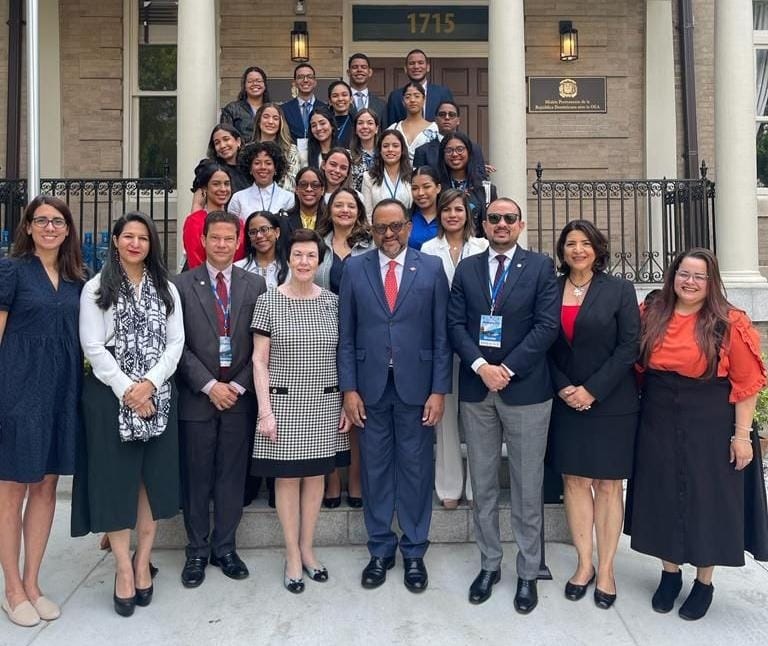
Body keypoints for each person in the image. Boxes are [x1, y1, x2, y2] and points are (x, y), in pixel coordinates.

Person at [626, 248, 767, 621]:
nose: (689, 282)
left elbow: (747, 384)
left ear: (711, 282)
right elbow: (634, 364)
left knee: (708, 499)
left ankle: (704, 582)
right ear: (673, 276)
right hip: (657, 415)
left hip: (711, 419)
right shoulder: (652, 313)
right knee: (662, 494)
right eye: (683, 274)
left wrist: (741, 437)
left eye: (699, 276)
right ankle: (669, 575)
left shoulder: (729, 322)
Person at [447, 198, 559, 611]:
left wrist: (506, 369)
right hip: (478, 390)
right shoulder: (468, 268)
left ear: (520, 225)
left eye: (510, 218)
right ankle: (489, 564)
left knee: (527, 487)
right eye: (494, 218)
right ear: (484, 225)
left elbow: (546, 326)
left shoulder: (540, 267)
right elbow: (454, 324)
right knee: (483, 485)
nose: (502, 224)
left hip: (525, 391)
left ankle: (528, 572)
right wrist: (481, 366)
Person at [338, 199, 452, 593]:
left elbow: (442, 335)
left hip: (417, 388)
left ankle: (415, 551)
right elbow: (346, 336)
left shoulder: (431, 268)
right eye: (381, 227)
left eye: (396, 226)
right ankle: (380, 549)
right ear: (371, 229)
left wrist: (439, 390)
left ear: (408, 226)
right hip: (369, 388)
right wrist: (349, 389)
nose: (389, 234)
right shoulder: (355, 268)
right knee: (375, 469)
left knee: (416, 470)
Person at [74, 211, 184, 617]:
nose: (136, 243)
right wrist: (128, 391)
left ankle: (143, 561)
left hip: (158, 395)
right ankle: (123, 567)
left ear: (151, 243)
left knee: (149, 483)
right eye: (128, 236)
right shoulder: (96, 288)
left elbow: (176, 343)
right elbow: (92, 346)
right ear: (116, 241)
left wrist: (149, 385)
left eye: (143, 237)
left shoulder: (166, 288)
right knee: (115, 483)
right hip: (109, 396)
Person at [0, 196, 85, 627]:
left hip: (61, 393)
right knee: (12, 489)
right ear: (29, 227)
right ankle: (12, 589)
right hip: (17, 389)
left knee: (47, 486)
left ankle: (33, 582)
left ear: (68, 229)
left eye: (58, 221)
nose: (50, 227)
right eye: (42, 220)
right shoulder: (11, 270)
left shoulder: (77, 280)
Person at [546, 220, 640, 609]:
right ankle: (584, 564)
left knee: (607, 485)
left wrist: (592, 390)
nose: (578, 250)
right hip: (565, 399)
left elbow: (629, 346)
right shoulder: (549, 289)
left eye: (585, 243)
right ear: (562, 251)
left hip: (611, 402)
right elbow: (543, 343)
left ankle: (607, 570)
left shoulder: (619, 290)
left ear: (598, 249)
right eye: (571, 243)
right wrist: (563, 387)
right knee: (574, 480)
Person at [251, 228, 351, 593]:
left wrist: (345, 401)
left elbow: (343, 355)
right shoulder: (268, 302)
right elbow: (259, 360)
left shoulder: (333, 303)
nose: (304, 262)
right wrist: (265, 410)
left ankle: (308, 548)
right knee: (288, 479)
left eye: (311, 256)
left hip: (325, 403)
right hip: (283, 403)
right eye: (298, 255)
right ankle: (291, 553)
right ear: (288, 259)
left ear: (319, 261)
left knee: (316, 478)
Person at [174, 211, 267, 589]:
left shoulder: (255, 285)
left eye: (230, 239)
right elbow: (176, 345)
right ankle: (197, 550)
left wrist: (238, 386)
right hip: (197, 397)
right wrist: (209, 385)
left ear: (238, 242)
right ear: (203, 240)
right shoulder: (180, 285)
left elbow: (263, 344)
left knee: (231, 476)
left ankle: (225, 548)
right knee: (196, 478)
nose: (222, 245)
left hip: (239, 399)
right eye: (215, 238)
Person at [421, 189, 488, 509]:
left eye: (458, 209)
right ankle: (449, 486)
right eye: (446, 209)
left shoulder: (483, 246)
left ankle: (478, 487)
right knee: (444, 416)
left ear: (468, 214)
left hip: (477, 343)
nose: (452, 215)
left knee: (478, 417)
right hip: (441, 341)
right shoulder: (427, 249)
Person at [315, 188, 373, 510]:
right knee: (327, 409)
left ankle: (355, 477)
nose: (345, 210)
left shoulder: (370, 246)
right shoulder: (317, 244)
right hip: (322, 334)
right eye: (339, 205)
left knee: (355, 407)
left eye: (351, 205)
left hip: (361, 334)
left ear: (359, 211)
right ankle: (332, 479)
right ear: (330, 210)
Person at [183, 160, 245, 269]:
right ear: (205, 188)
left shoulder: (238, 222)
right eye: (216, 184)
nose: (223, 189)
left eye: (226, 184)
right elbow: (195, 263)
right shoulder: (194, 221)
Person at [437, 132, 497, 237]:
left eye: (460, 149)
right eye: (449, 150)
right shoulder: (436, 187)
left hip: (479, 244)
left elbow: (493, 223)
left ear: (469, 152)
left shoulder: (486, 189)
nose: (454, 154)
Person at [413, 101, 489, 178]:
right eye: (442, 114)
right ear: (436, 120)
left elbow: (480, 179)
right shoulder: (422, 151)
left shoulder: (474, 149)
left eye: (451, 115)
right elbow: (418, 181)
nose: (447, 118)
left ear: (458, 120)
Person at [385, 49, 454, 126]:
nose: (416, 66)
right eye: (412, 63)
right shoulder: (395, 96)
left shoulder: (443, 93)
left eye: (420, 63)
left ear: (428, 67)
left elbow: (451, 123)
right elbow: (390, 127)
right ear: (405, 69)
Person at [228, 141, 294, 219]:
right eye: (257, 163)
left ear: (276, 168)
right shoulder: (238, 198)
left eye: (268, 163)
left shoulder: (288, 198)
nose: (263, 167)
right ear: (250, 169)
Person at [361, 130, 412, 221]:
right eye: (385, 146)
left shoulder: (412, 176)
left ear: (402, 150)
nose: (390, 149)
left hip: (407, 227)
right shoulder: (369, 177)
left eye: (395, 146)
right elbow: (367, 214)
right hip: (379, 228)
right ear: (380, 151)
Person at [252, 103, 301, 191]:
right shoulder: (248, 149)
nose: (270, 122)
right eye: (266, 117)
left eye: (275, 118)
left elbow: (291, 184)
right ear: (259, 121)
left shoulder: (290, 150)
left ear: (280, 123)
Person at [236, 211, 289, 288]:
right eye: (253, 232)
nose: (259, 236)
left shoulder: (291, 269)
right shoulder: (237, 269)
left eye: (264, 230)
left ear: (277, 232)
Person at [220, 66, 270, 143]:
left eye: (259, 81)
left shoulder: (272, 110)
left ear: (265, 85)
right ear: (244, 86)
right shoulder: (232, 109)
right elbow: (225, 137)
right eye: (250, 81)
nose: (255, 84)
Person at [281, 63, 328, 146]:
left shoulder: (326, 108)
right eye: (300, 77)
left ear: (315, 82)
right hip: (292, 152)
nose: (305, 80)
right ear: (294, 82)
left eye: (309, 77)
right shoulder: (284, 109)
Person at [392, 82, 439, 163]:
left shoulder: (435, 129)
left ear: (424, 100)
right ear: (403, 101)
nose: (412, 100)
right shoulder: (394, 129)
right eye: (408, 97)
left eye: (417, 96)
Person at [206, 124, 251, 193]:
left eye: (226, 139)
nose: (222, 146)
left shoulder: (249, 168)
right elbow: (199, 199)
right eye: (217, 143)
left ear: (238, 141)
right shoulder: (210, 170)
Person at [408, 166, 442, 250]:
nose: (420, 193)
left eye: (426, 187)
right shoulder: (405, 218)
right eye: (415, 188)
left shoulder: (448, 217)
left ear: (438, 188)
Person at [347, 53, 387, 123]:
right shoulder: (341, 102)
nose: (359, 70)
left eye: (363, 67)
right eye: (355, 67)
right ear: (348, 72)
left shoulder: (382, 105)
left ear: (370, 72)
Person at [285, 167, 327, 231]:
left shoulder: (330, 220)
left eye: (315, 185)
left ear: (322, 190)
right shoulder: (284, 219)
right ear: (296, 189)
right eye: (303, 184)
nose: (309, 189)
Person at [349, 108, 380, 191]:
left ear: (376, 129)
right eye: (360, 123)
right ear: (355, 129)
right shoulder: (348, 156)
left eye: (370, 123)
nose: (365, 127)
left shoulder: (384, 154)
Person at [327, 80, 356, 149]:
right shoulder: (324, 122)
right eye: (335, 96)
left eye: (344, 95)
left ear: (351, 99)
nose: (340, 99)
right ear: (330, 101)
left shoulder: (357, 122)